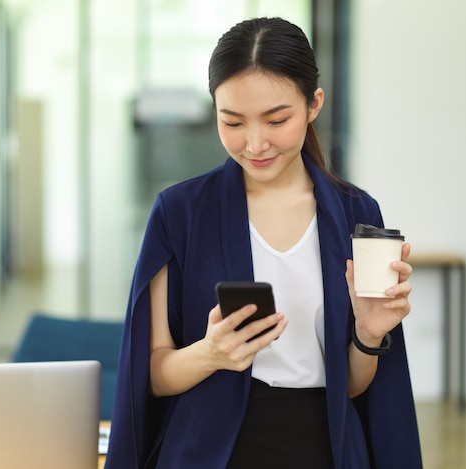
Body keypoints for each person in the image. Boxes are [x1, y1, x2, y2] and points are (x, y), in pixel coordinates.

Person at [105, 17, 422, 469]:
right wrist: (210, 353)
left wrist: (370, 335)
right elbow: (152, 373)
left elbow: (351, 387)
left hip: (326, 446)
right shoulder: (179, 213)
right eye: (232, 121)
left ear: (314, 104)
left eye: (277, 120)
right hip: (208, 451)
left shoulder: (357, 213)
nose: (254, 144)